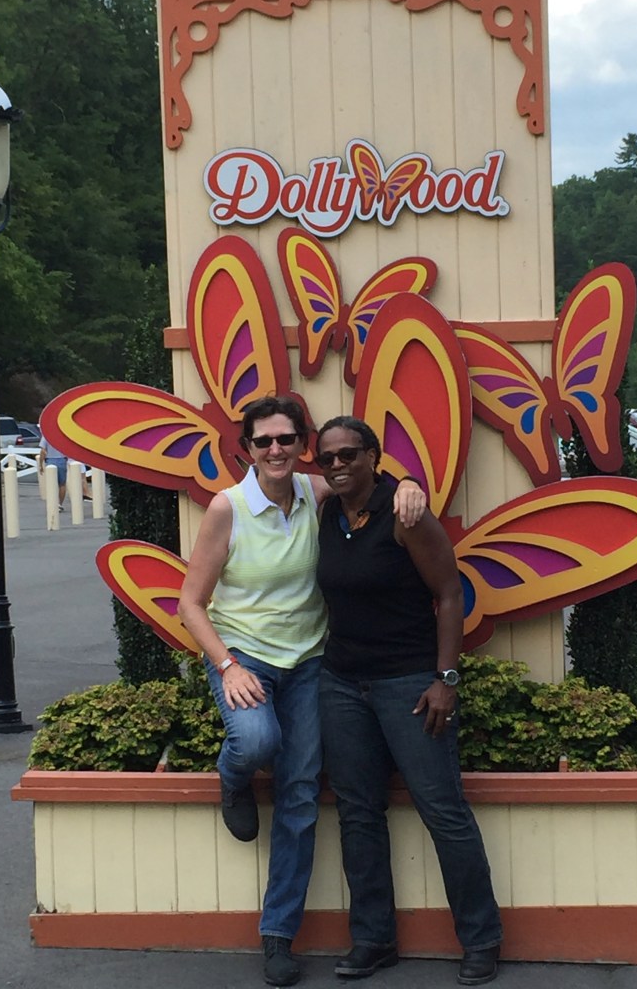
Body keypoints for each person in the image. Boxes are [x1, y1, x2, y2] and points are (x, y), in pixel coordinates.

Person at [177, 396, 425, 988]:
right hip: (246, 660)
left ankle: (278, 935)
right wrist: (227, 666)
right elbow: (190, 603)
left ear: (301, 445)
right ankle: (232, 776)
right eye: (263, 441)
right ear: (247, 449)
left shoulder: (317, 494)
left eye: (286, 439)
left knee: (299, 795)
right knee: (257, 742)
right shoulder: (228, 508)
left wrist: (410, 484)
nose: (275, 450)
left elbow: (372, 483)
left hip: (311, 663)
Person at [314, 416, 502, 987]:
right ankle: (373, 939)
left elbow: (449, 594)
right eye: (327, 457)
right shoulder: (325, 510)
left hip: (409, 684)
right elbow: (279, 478)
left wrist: (446, 678)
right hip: (342, 684)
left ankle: (481, 939)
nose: (338, 465)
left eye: (349, 454)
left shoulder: (405, 514)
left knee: (442, 809)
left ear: (373, 456)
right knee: (358, 813)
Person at [38, 436, 67, 511]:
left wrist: (41, 464)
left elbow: (43, 451)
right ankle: (60, 504)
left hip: (50, 460)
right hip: (62, 459)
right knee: (62, 484)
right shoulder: (61, 435)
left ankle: (53, 503)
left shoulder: (46, 436)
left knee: (51, 484)